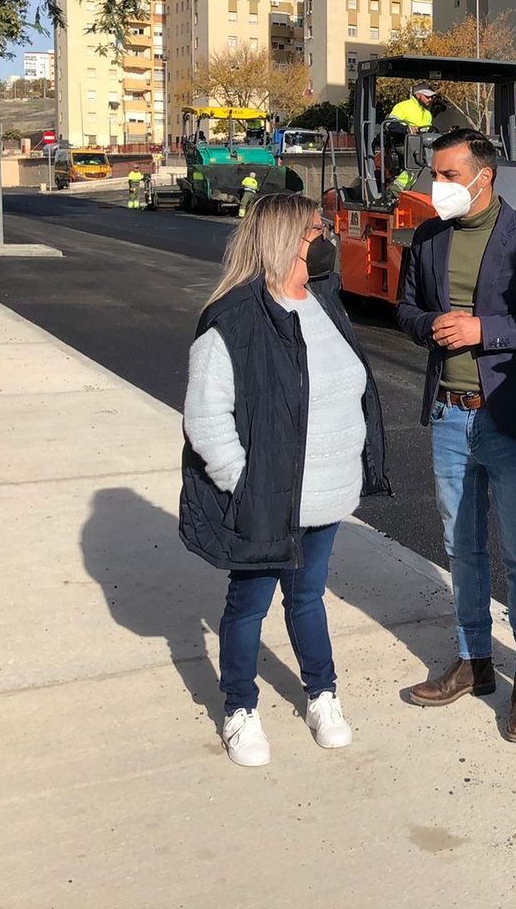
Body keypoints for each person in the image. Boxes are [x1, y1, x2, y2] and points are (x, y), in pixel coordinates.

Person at [180, 193, 391, 767]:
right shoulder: (236, 318)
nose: (326, 236)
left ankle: (322, 694)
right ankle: (239, 707)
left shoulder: (323, 302)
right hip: (268, 498)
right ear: (286, 238)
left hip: (326, 496)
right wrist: (244, 482)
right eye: (317, 229)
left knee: (308, 597)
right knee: (249, 605)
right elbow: (204, 416)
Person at [396, 128, 516, 742]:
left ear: (484, 176)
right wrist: (433, 326)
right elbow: (406, 311)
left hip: (508, 417)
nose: (437, 187)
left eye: (448, 176)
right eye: (434, 175)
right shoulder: (428, 238)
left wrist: (486, 331)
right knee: (461, 548)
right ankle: (474, 662)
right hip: (449, 416)